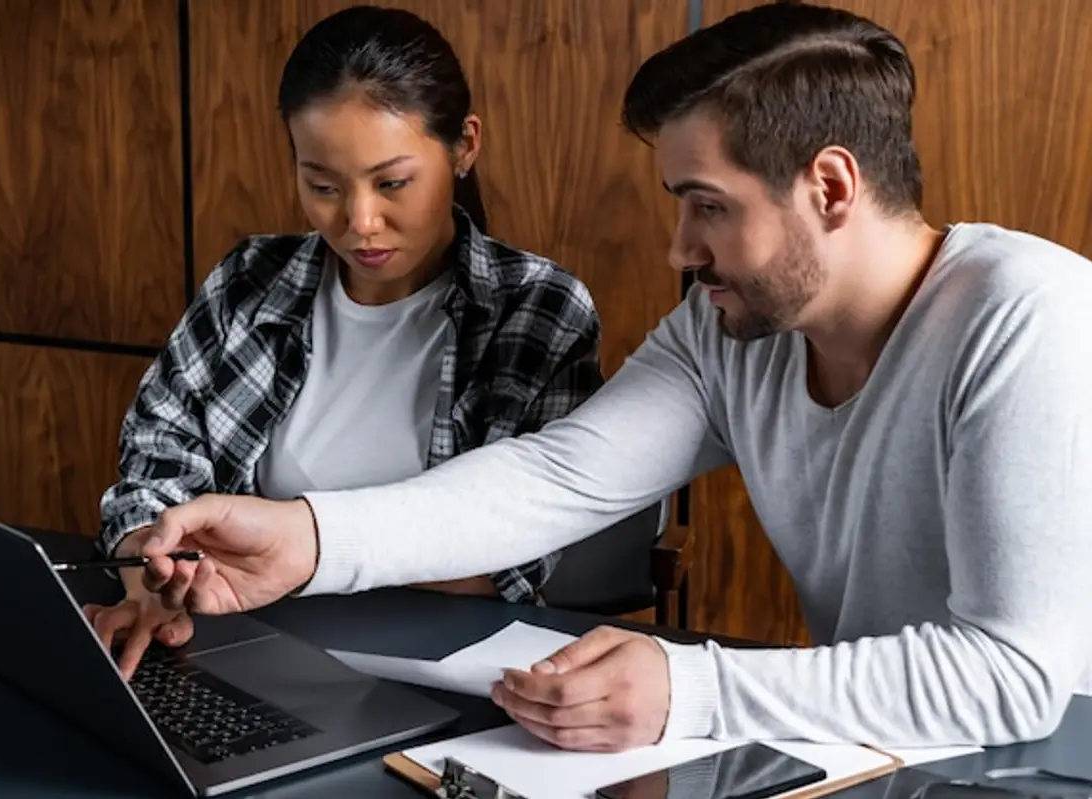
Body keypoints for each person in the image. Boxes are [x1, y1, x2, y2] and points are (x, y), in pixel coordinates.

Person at [134, 0, 1092, 754]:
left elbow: (1012, 677)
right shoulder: (728, 333)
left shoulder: (1030, 314)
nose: (681, 250)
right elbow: (552, 477)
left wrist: (694, 687)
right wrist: (307, 536)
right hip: (879, 748)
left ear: (831, 188)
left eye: (706, 206)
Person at [84, 5, 605, 680]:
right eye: (322, 185)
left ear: (465, 145)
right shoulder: (251, 279)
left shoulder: (537, 309)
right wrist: (148, 575)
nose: (359, 222)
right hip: (238, 645)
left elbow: (505, 558)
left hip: (442, 665)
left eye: (393, 183)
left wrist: (288, 556)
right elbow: (156, 457)